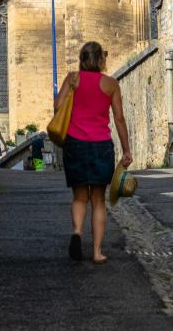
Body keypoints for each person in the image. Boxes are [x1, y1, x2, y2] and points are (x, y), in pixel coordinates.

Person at [54, 41, 132, 264]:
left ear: (82, 59)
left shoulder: (73, 78)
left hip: (75, 143)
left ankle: (77, 233)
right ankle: (97, 252)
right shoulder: (110, 84)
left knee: (79, 196)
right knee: (98, 199)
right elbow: (118, 118)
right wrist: (126, 149)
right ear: (100, 60)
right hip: (100, 145)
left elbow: (58, 106)